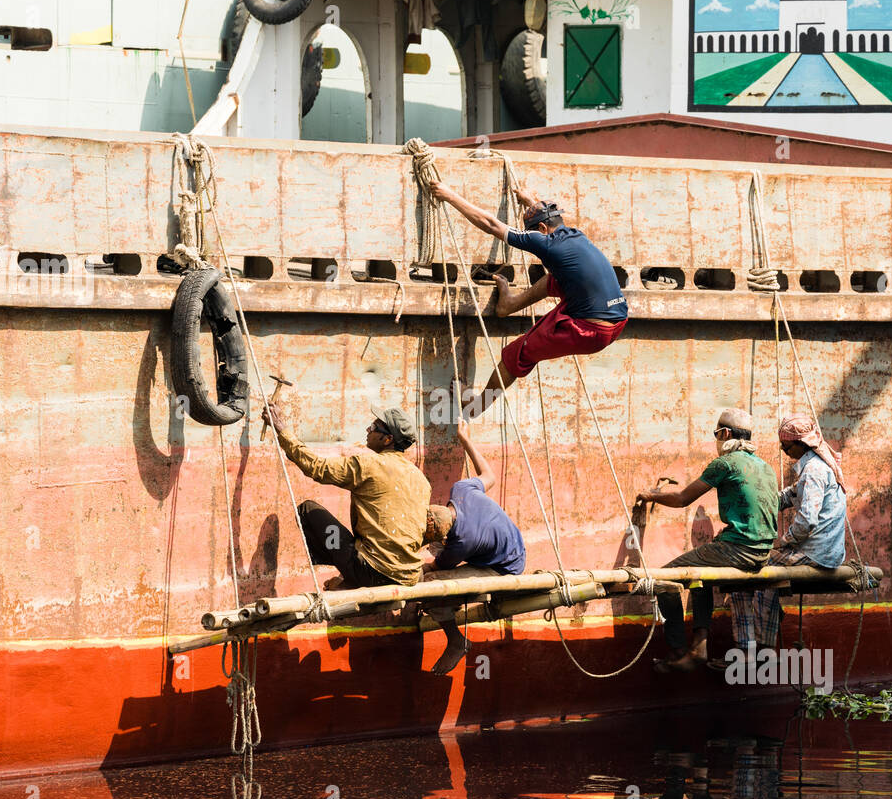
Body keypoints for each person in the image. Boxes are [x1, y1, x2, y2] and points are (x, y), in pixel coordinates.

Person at [428, 179, 628, 418]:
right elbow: (546, 221)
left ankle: (474, 408)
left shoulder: (544, 242)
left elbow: (491, 225)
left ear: (542, 230)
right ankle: (510, 304)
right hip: (617, 320)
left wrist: (449, 195)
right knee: (556, 279)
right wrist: (530, 202)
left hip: (588, 329)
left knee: (516, 354)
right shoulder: (574, 235)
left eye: (534, 231)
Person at [635, 408, 778, 672]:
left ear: (724, 433)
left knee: (664, 577)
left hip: (739, 549)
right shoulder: (764, 466)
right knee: (701, 575)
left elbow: (681, 499)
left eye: (716, 434)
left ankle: (679, 650)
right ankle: (699, 646)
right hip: (763, 551)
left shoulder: (725, 463)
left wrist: (651, 495)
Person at [266, 399, 431, 591]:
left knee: (308, 511)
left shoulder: (370, 466)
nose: (368, 430)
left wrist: (281, 429)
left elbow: (317, 468)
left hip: (370, 572)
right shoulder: (421, 480)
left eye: (374, 427)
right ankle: (349, 573)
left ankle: (350, 575)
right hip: (409, 576)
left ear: (388, 440)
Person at [727, 414, 847, 655]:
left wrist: (784, 541)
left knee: (746, 572)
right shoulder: (818, 466)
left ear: (801, 444)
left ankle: (748, 649)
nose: (783, 450)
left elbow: (807, 522)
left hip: (816, 554)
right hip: (829, 552)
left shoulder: (812, 470)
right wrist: (760, 500)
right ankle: (765, 644)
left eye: (786, 445)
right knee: (768, 578)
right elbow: (789, 496)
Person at [420, 421, 526, 674]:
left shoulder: (463, 542)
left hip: (505, 568)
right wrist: (464, 438)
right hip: (504, 545)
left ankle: (455, 640)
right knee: (435, 559)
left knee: (429, 582)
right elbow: (489, 475)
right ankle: (453, 601)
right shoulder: (462, 489)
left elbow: (430, 568)